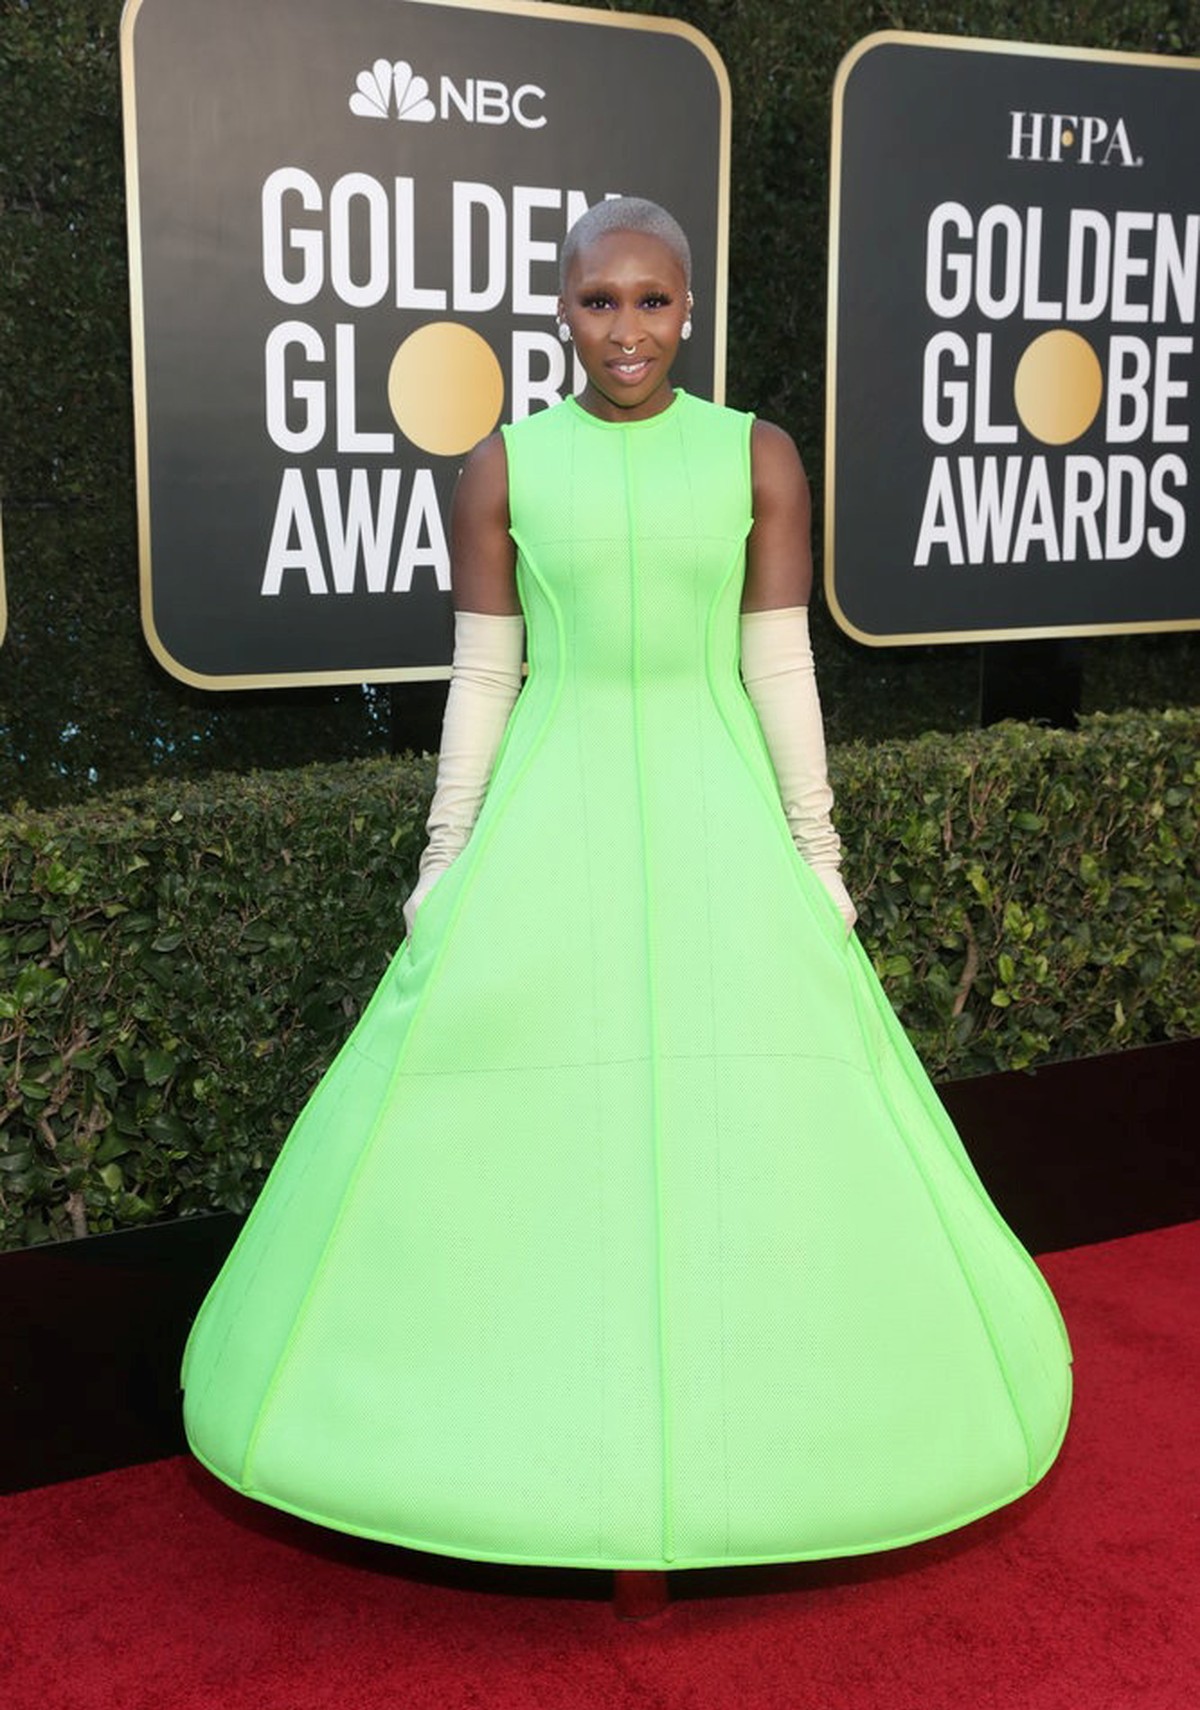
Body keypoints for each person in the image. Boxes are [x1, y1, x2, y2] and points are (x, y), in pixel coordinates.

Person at [182, 198, 1071, 1578]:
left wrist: (817, 852)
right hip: (557, 813)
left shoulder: (758, 457)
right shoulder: (504, 468)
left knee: (770, 1120)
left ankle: (775, 1454)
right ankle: (532, 1460)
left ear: (690, 310)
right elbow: (486, 676)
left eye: (653, 302)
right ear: (561, 308)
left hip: (720, 813)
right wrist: (444, 858)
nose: (628, 331)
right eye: (602, 302)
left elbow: (780, 667)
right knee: (531, 1132)